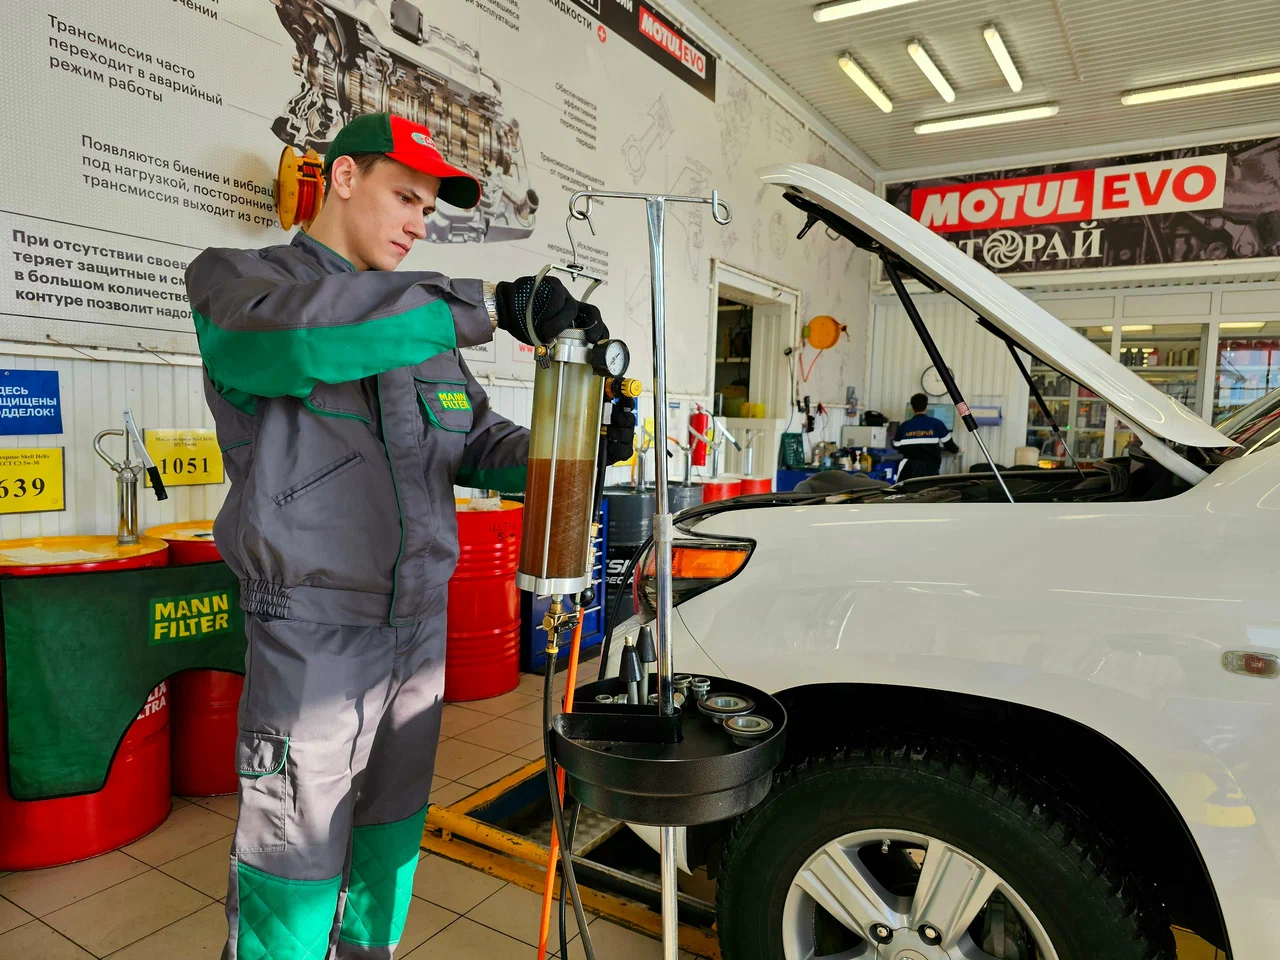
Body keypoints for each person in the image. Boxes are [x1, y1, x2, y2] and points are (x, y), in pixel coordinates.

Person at [185, 112, 634, 960]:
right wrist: (486, 305)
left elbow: (476, 442)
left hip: (420, 631)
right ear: (343, 176)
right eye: (405, 197)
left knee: (386, 859)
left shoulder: (424, 333)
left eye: (429, 210)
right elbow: (306, 337)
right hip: (315, 633)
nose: (419, 224)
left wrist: (572, 447)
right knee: (293, 870)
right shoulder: (243, 285)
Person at [893, 393, 959, 482]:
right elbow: (949, 445)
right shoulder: (937, 424)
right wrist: (956, 449)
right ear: (926, 407)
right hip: (931, 471)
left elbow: (896, 446)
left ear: (912, 408)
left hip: (909, 471)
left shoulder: (904, 426)